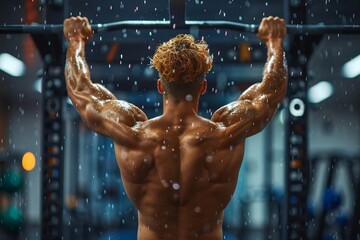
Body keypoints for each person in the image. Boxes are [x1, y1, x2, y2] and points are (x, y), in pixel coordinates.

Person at [63, 15, 287, 240]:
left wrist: (76, 40)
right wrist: (274, 41)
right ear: (203, 87)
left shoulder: (133, 133)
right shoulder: (225, 133)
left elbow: (81, 90)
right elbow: (272, 90)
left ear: (160, 85)